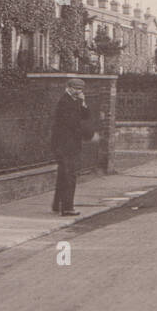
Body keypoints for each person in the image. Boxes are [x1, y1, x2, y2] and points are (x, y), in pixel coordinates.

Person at [51, 78, 96, 216]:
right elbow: (73, 124)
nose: (79, 91)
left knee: (63, 174)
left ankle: (57, 205)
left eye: (81, 89)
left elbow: (86, 116)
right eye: (76, 88)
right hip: (65, 144)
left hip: (68, 143)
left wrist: (83, 102)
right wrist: (89, 135)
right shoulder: (65, 102)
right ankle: (67, 208)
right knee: (70, 175)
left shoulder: (74, 101)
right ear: (69, 87)